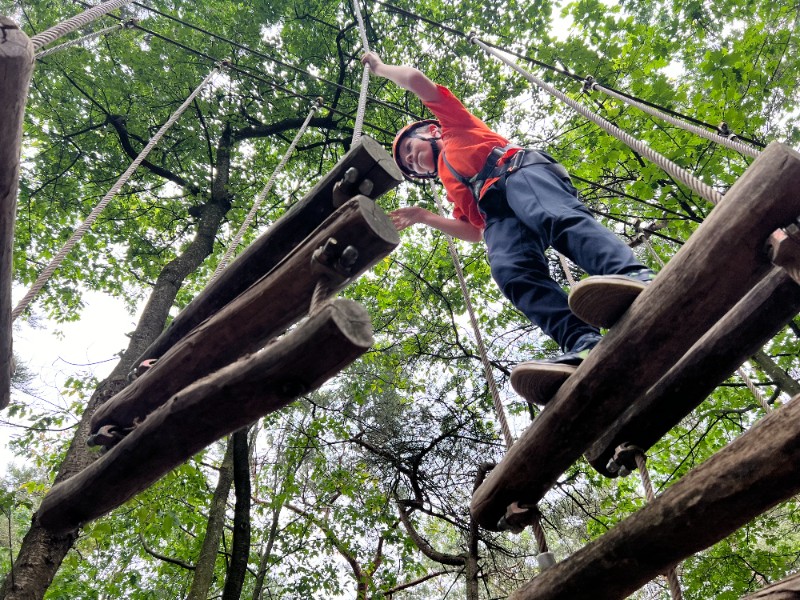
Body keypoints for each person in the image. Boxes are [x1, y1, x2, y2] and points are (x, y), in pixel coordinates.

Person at [362, 51, 653, 369]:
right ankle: (581, 340)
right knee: (509, 269)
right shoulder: (453, 189)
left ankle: (631, 274)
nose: (410, 159)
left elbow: (417, 81)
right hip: (497, 215)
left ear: (430, 132)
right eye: (407, 164)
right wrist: (424, 216)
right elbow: (475, 231)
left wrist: (380, 68)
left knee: (553, 217)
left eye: (409, 149)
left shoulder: (454, 127)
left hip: (517, 172)